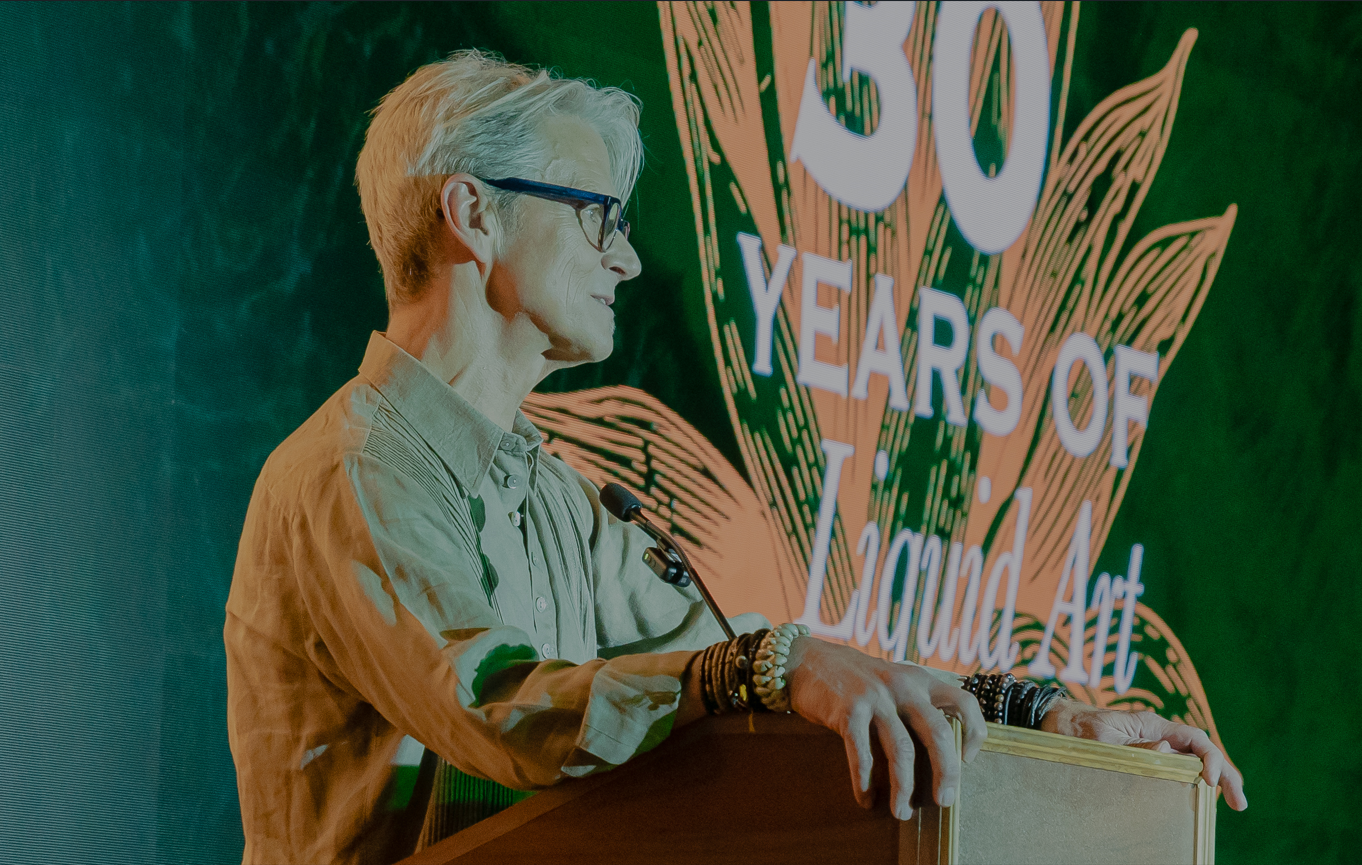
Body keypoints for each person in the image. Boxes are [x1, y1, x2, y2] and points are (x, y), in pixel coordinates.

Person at [224, 50, 1246, 865]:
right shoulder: (352, 472)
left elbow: (740, 658)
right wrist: (764, 667)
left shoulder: (559, 498)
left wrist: (1035, 714)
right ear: (472, 213)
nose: (626, 258)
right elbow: (497, 705)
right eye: (596, 217)